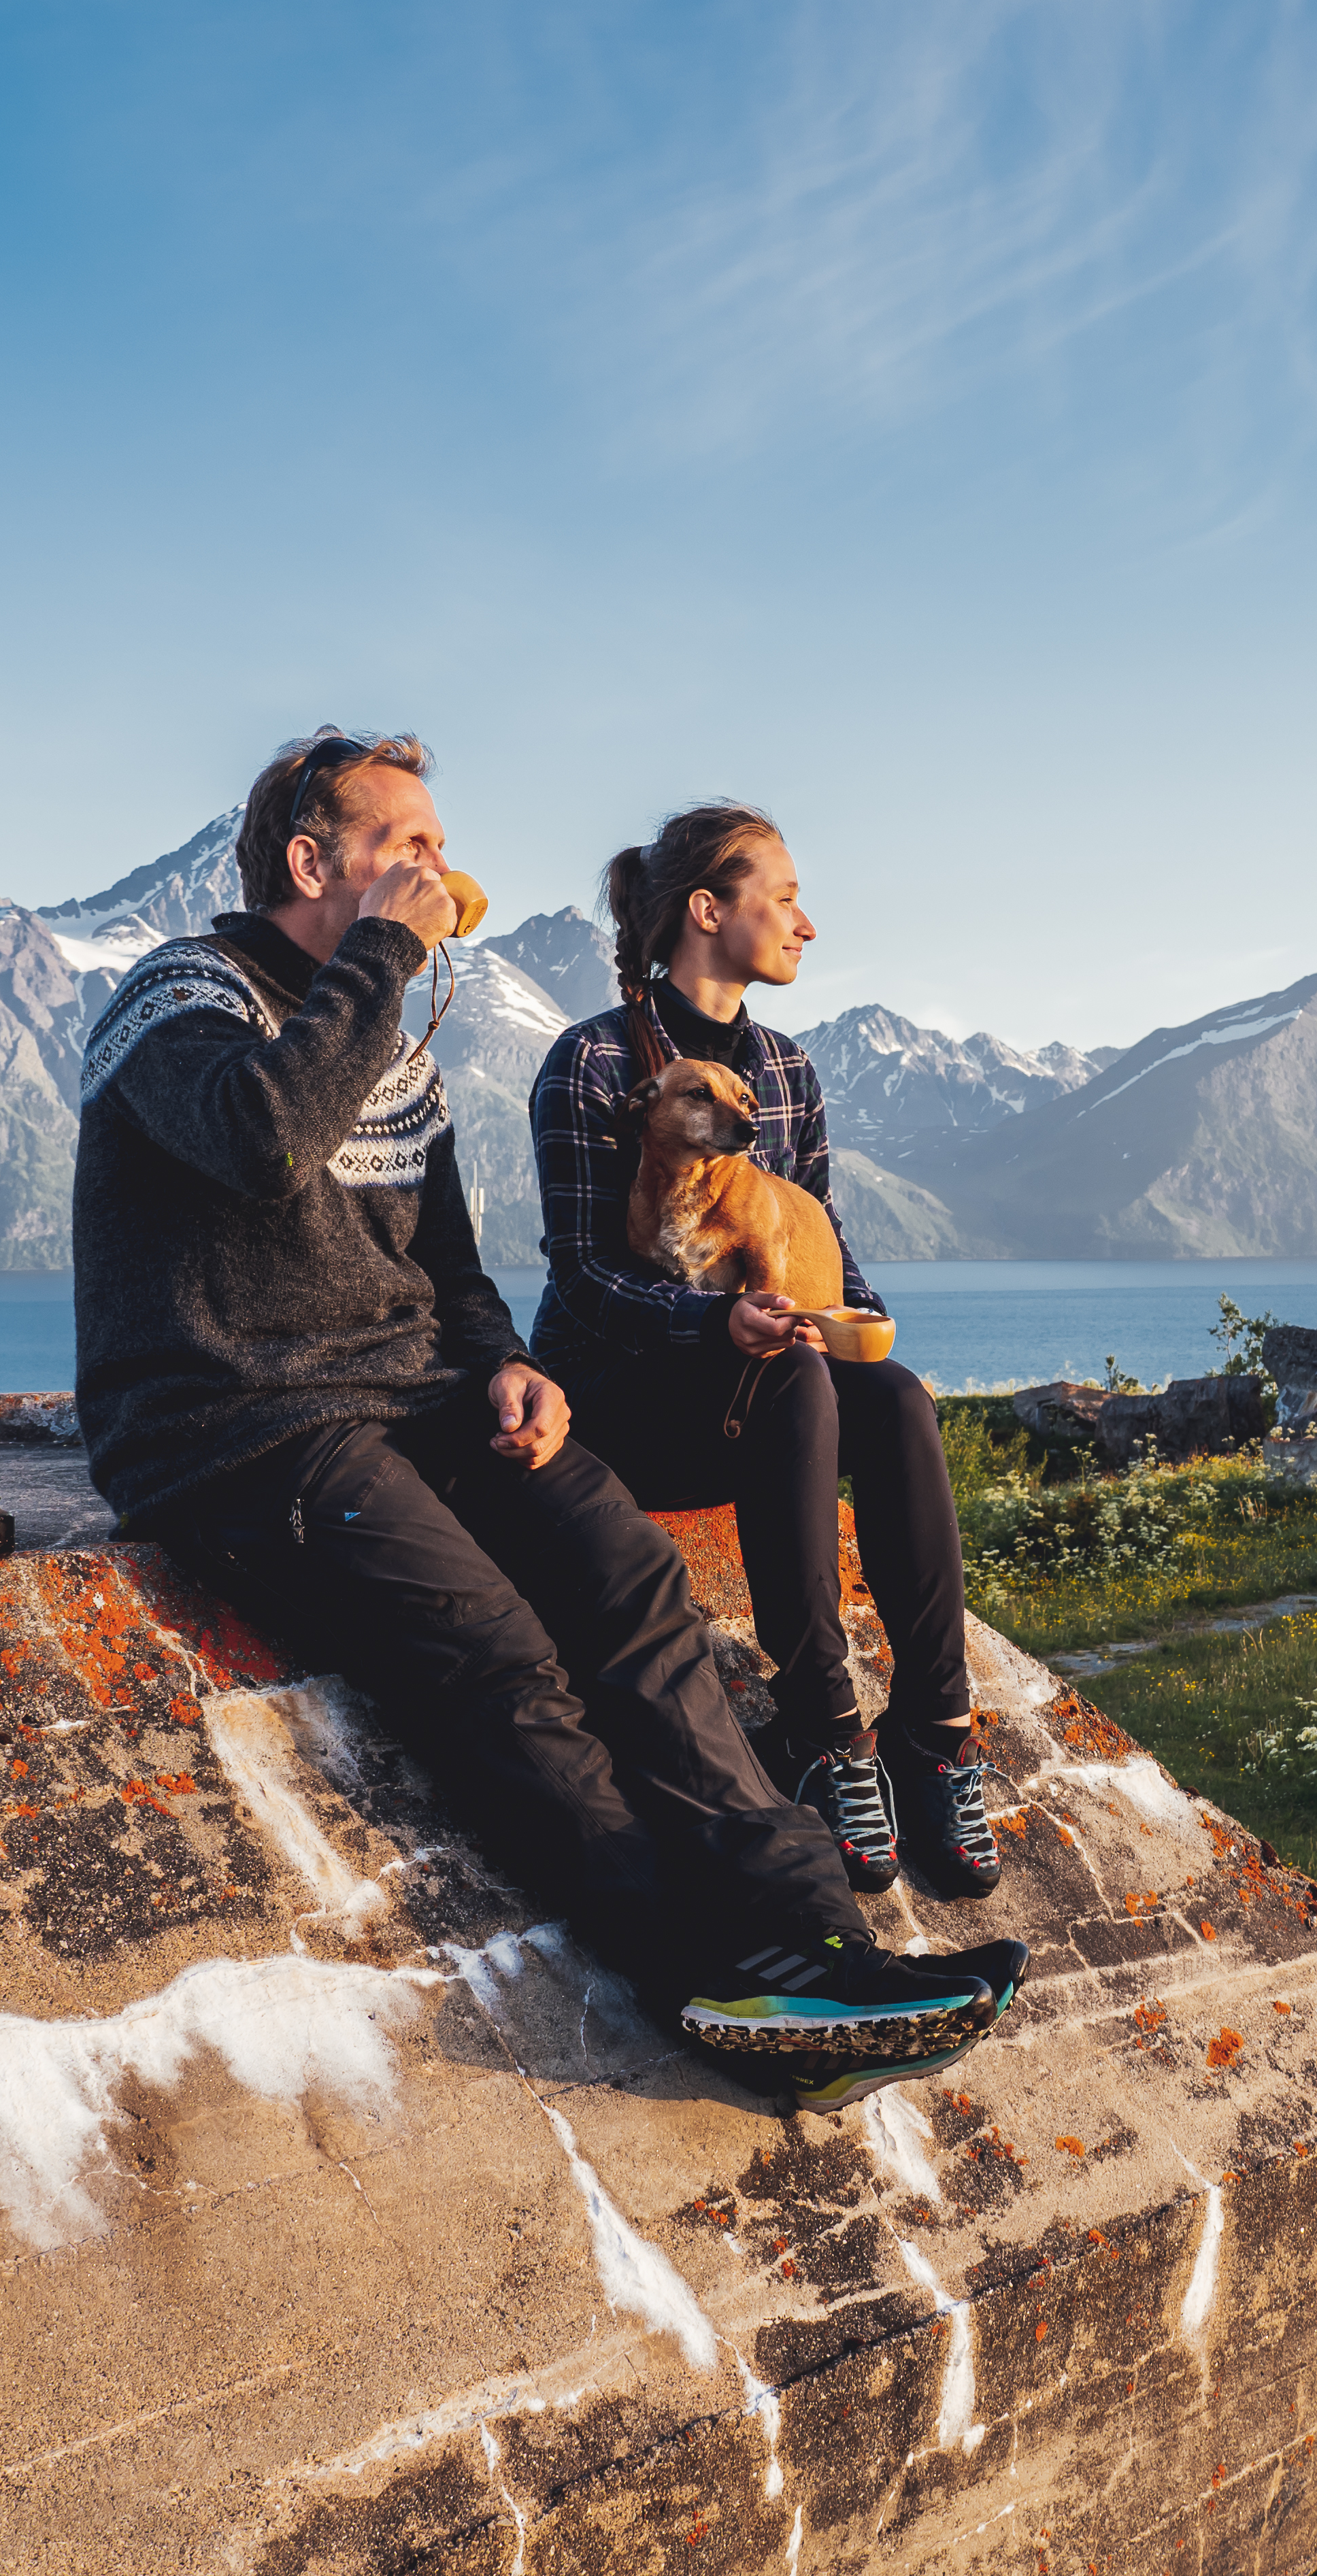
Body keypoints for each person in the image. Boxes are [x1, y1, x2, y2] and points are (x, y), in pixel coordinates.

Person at [72, 729, 1020, 2111]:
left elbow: (447, 1267)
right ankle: (700, 1967)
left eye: (440, 853)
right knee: (497, 1649)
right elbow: (265, 1141)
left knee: (627, 1573)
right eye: (410, 848)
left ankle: (822, 1937)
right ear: (310, 860)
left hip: (418, 1395)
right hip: (248, 1421)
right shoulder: (180, 998)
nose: (438, 874)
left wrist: (505, 1363)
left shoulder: (391, 1037)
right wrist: (386, 952)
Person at [527, 803, 1001, 1907]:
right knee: (791, 1373)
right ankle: (826, 1731)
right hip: (624, 1399)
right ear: (708, 911)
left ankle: (934, 1731)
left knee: (892, 1397)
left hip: (766, 1394)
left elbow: (818, 1233)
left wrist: (862, 1319)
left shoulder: (786, 1071)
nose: (807, 924)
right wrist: (707, 1325)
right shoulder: (592, 1065)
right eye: (784, 898)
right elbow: (580, 1276)